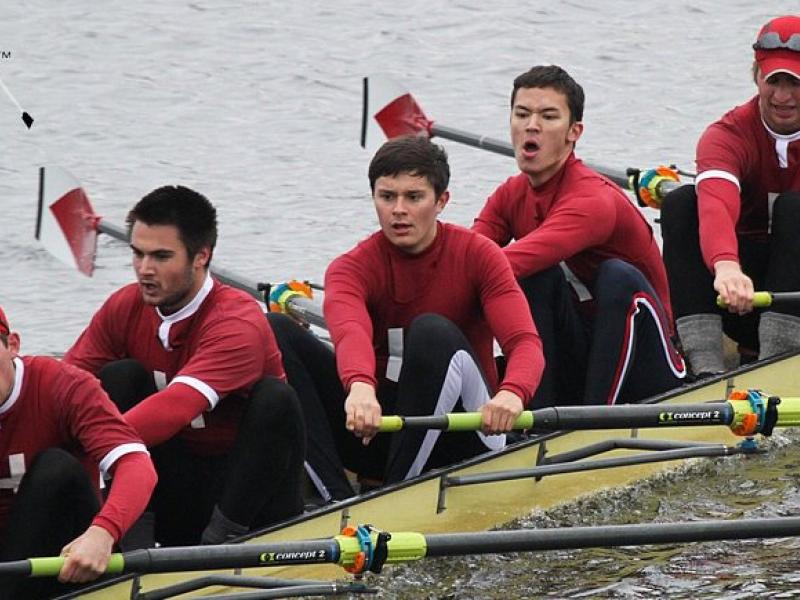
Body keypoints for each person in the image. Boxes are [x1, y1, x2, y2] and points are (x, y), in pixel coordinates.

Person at [268, 135, 543, 499]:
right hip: (377, 428)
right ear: (374, 199)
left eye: (414, 197)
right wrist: (361, 386)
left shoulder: (479, 255)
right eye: (387, 197)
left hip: (465, 433)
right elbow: (349, 331)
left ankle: (391, 496)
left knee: (430, 331)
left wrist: (513, 393)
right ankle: (333, 499)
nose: (399, 210)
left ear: (441, 201)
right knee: (273, 331)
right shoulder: (349, 269)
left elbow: (525, 342)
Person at [64, 186, 305, 547]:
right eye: (138, 254)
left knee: (276, 399)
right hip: (180, 484)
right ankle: (131, 542)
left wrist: (88, 453)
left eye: (161, 257)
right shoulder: (125, 307)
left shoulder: (237, 322)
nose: (144, 270)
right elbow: (63, 385)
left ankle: (221, 544)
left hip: (250, 493)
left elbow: (173, 408)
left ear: (200, 257)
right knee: (119, 378)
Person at [473, 65, 686, 407]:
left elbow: (496, 266)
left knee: (615, 276)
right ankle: (537, 421)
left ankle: (592, 418)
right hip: (584, 354)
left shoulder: (592, 200)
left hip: (651, 364)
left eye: (548, 116)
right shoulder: (510, 194)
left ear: (575, 131)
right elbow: (468, 257)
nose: (532, 125)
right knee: (535, 278)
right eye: (522, 114)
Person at [661, 15, 800, 376]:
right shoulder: (726, 135)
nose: (783, 96)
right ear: (756, 77)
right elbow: (716, 204)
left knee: (794, 208)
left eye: (795, 83)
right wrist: (726, 265)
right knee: (681, 203)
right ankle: (703, 371)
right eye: (774, 81)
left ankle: (776, 365)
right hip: (739, 295)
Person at [0, 305, 156, 599]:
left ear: (12, 345)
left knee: (55, 467)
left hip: (71, 559)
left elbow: (137, 465)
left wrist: (104, 532)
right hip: (7, 559)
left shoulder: (63, 385)